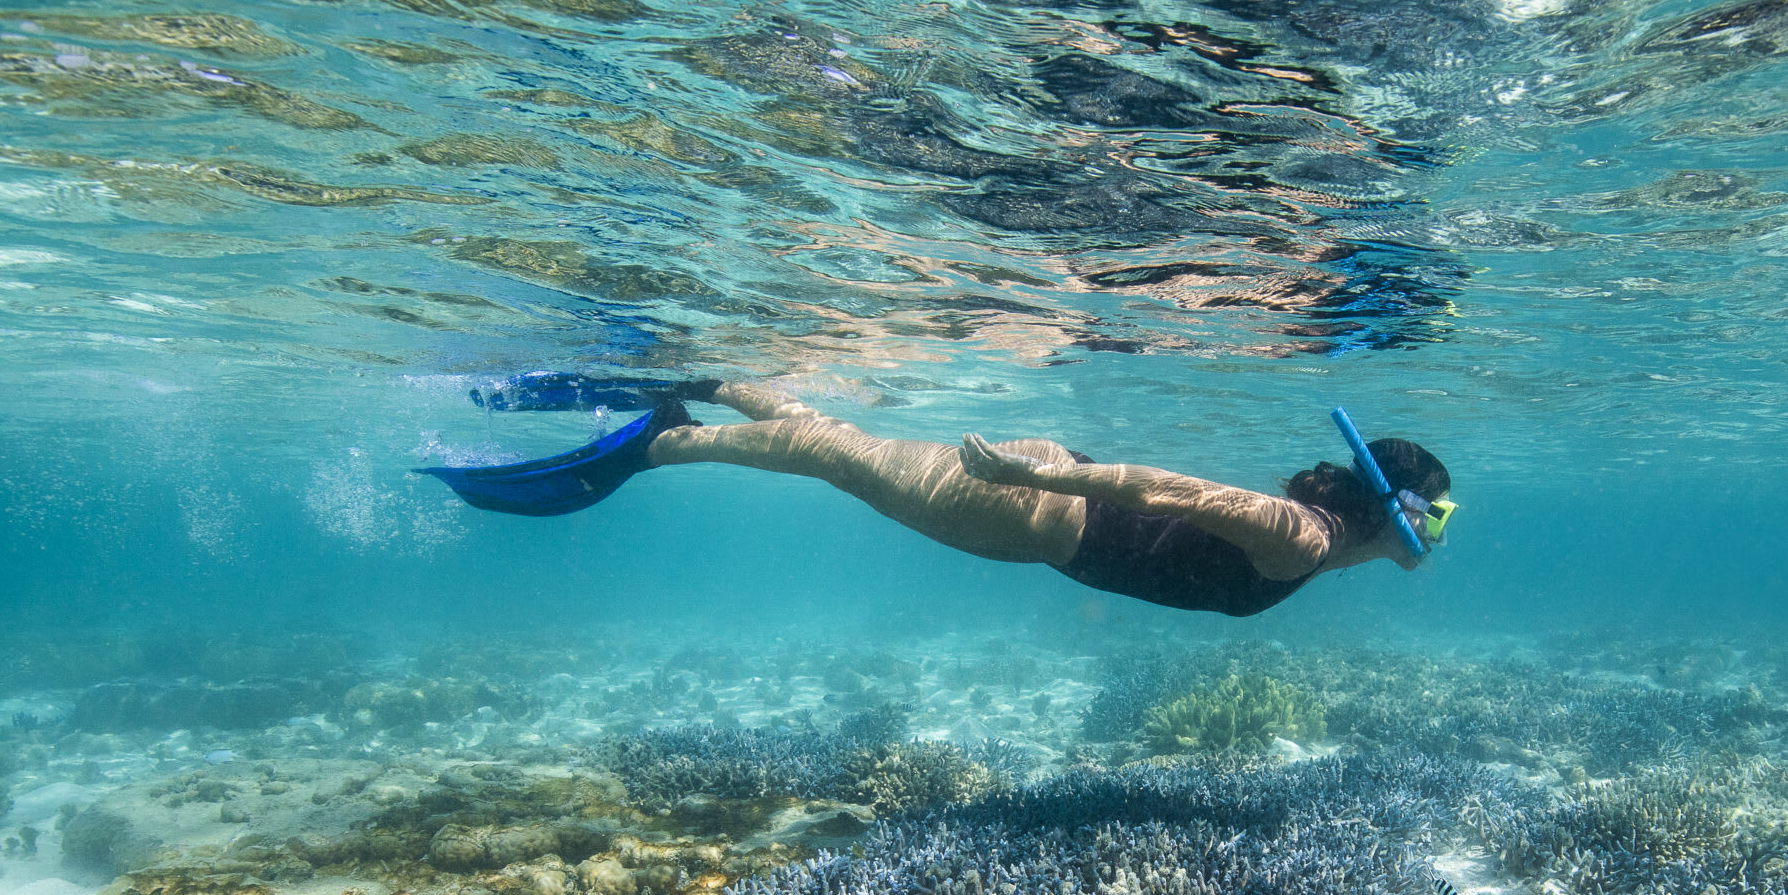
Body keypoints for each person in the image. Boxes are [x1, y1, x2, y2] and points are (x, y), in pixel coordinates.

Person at [420, 373, 1454, 617]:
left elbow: (1391, 543)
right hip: (1038, 506)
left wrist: (1405, 536)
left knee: (845, 447)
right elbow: (1167, 486)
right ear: (1386, 505)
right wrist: (1044, 475)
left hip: (1050, 504)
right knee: (837, 459)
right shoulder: (1303, 539)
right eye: (1425, 517)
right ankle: (656, 445)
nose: (1433, 537)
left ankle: (696, 376)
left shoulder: (1336, 543)